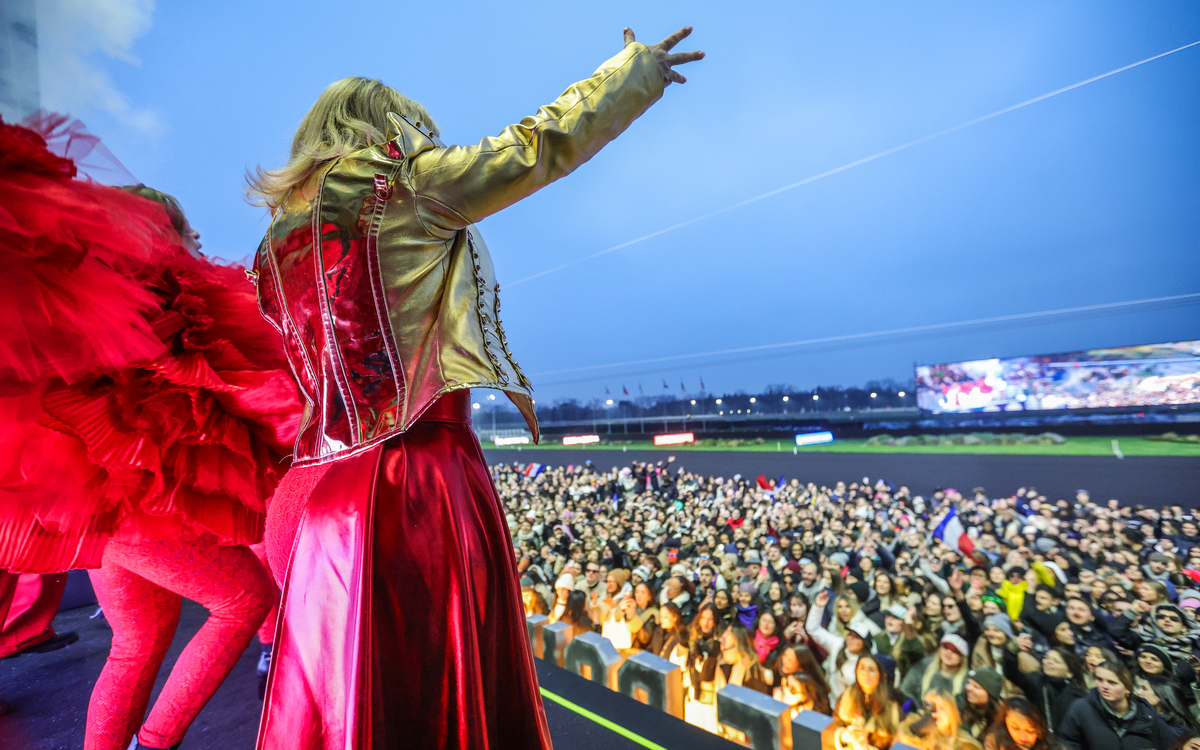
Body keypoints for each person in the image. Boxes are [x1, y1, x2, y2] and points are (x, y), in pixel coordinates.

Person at [251, 27, 704, 748]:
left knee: (343, 710)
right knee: (438, 703)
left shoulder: (274, 247)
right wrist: (634, 73)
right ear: (387, 126)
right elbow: (536, 145)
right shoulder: (399, 189)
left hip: (312, 499)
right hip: (413, 482)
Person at [0, 118, 298, 750]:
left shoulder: (101, 319)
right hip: (129, 516)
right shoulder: (163, 317)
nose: (199, 238)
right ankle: (155, 743)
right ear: (160, 236)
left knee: (136, 646)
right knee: (247, 598)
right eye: (187, 228)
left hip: (101, 518)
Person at [1057, 661, 1179, 750]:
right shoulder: (1082, 708)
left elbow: (1173, 743)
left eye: (1112, 682)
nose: (1104, 686)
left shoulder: (1146, 714)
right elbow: (1067, 741)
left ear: (1128, 689)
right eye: (1100, 680)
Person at [1000, 644, 1087, 732]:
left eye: (1056, 661)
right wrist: (1012, 648)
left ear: (1070, 672)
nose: (1048, 662)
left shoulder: (1078, 695)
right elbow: (1011, 673)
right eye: (1046, 658)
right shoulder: (1036, 681)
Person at [824, 655, 902, 750]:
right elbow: (833, 725)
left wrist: (864, 746)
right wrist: (844, 736)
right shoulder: (847, 696)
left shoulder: (892, 706)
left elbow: (897, 743)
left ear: (881, 675)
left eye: (871, 670)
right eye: (862, 668)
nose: (865, 674)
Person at [898, 688, 982, 750]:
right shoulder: (909, 730)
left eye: (942, 708)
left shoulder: (965, 745)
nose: (935, 714)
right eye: (931, 708)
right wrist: (913, 733)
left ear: (952, 713)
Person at [982, 697, 1058, 750]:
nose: (1023, 737)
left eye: (1030, 731)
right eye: (1015, 728)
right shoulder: (995, 741)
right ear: (1005, 723)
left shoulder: (1055, 746)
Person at [960, 668, 1004, 740]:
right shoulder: (961, 703)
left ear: (990, 695)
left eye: (976, 687)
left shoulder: (999, 721)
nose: (968, 687)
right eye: (969, 683)